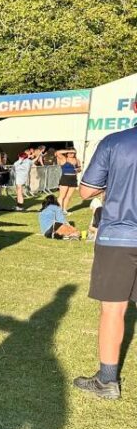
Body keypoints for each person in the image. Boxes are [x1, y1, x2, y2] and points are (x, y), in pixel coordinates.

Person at [74, 124, 137, 399]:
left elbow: (86, 191)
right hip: (120, 236)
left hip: (119, 238)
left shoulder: (114, 142)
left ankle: (107, 381)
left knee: (113, 310)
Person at [56, 148, 81, 212]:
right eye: (70, 153)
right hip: (65, 178)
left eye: (73, 153)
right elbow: (57, 152)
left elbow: (79, 169)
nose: (71, 154)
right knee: (62, 196)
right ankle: (59, 210)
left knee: (68, 196)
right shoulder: (64, 159)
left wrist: (78, 170)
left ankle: (64, 210)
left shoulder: (77, 160)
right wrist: (69, 150)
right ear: (67, 153)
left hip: (73, 178)